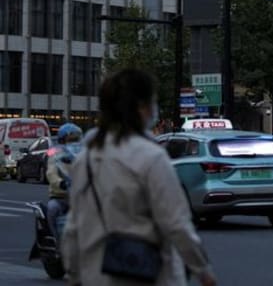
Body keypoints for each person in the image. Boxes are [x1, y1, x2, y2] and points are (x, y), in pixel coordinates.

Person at [61, 69, 217, 286]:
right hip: (146, 274)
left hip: (95, 275)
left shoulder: (85, 159)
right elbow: (177, 224)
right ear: (142, 107)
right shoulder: (151, 157)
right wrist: (202, 270)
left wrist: (74, 274)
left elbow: (73, 227)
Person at [46, 123, 82, 239]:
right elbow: (51, 173)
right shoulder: (54, 152)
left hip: (81, 197)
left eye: (76, 138)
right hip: (60, 196)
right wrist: (60, 183)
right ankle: (56, 241)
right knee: (52, 209)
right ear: (63, 139)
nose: (74, 142)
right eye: (71, 139)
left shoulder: (84, 153)